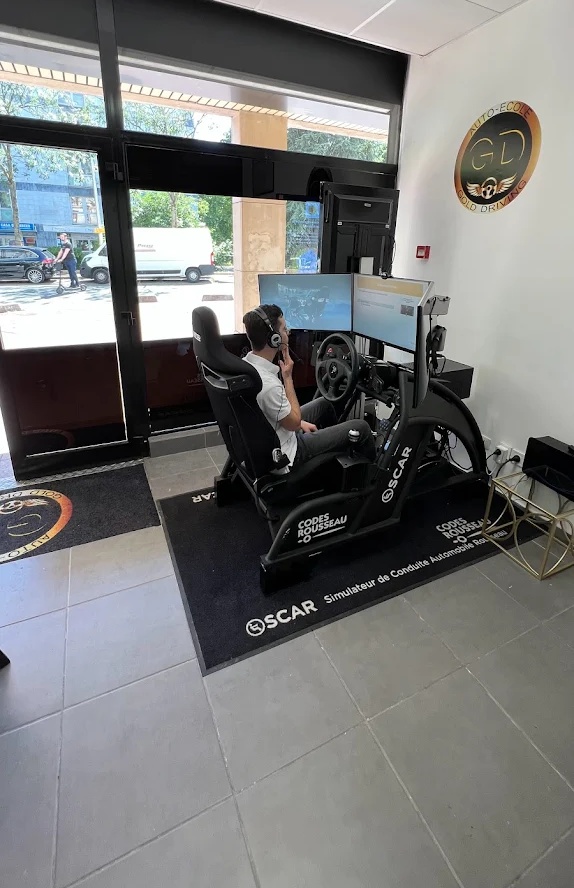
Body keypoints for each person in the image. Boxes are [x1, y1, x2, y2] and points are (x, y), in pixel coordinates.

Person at [242, 304, 376, 467]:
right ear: (274, 339)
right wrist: (288, 378)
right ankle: (372, 478)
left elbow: (282, 417)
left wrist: (298, 423)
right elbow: (294, 422)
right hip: (288, 453)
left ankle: (334, 456)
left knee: (325, 404)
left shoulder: (246, 365)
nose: (288, 332)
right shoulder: (269, 385)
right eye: (284, 329)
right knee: (362, 427)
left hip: (271, 434)